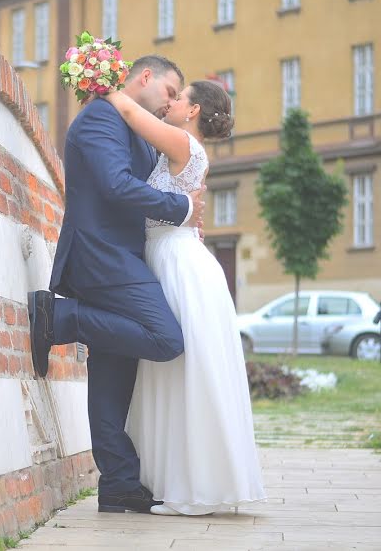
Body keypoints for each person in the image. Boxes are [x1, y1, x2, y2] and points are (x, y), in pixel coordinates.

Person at [27, 56, 205, 513]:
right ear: (145, 78)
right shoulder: (100, 117)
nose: (170, 103)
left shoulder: (138, 129)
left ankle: (119, 483)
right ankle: (61, 318)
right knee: (165, 339)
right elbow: (115, 185)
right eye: (169, 91)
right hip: (100, 256)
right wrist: (181, 208)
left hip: (123, 256)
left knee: (112, 379)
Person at [105, 79, 266, 515]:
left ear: (193, 111)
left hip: (176, 264)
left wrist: (99, 79)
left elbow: (132, 115)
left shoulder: (182, 141)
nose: (171, 103)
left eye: (179, 98)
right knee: (178, 372)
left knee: (180, 371)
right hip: (175, 254)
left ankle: (190, 487)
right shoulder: (189, 152)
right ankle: (185, 481)